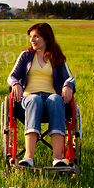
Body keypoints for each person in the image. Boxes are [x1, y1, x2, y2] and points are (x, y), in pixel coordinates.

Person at [7, 23, 75, 168]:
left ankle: (58, 158)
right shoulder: (26, 56)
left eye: (36, 36)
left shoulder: (56, 57)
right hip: (28, 99)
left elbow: (70, 78)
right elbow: (11, 76)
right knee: (35, 99)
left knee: (56, 99)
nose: (32, 40)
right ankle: (28, 158)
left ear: (47, 38)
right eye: (31, 37)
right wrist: (16, 84)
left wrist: (67, 85)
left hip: (51, 99)